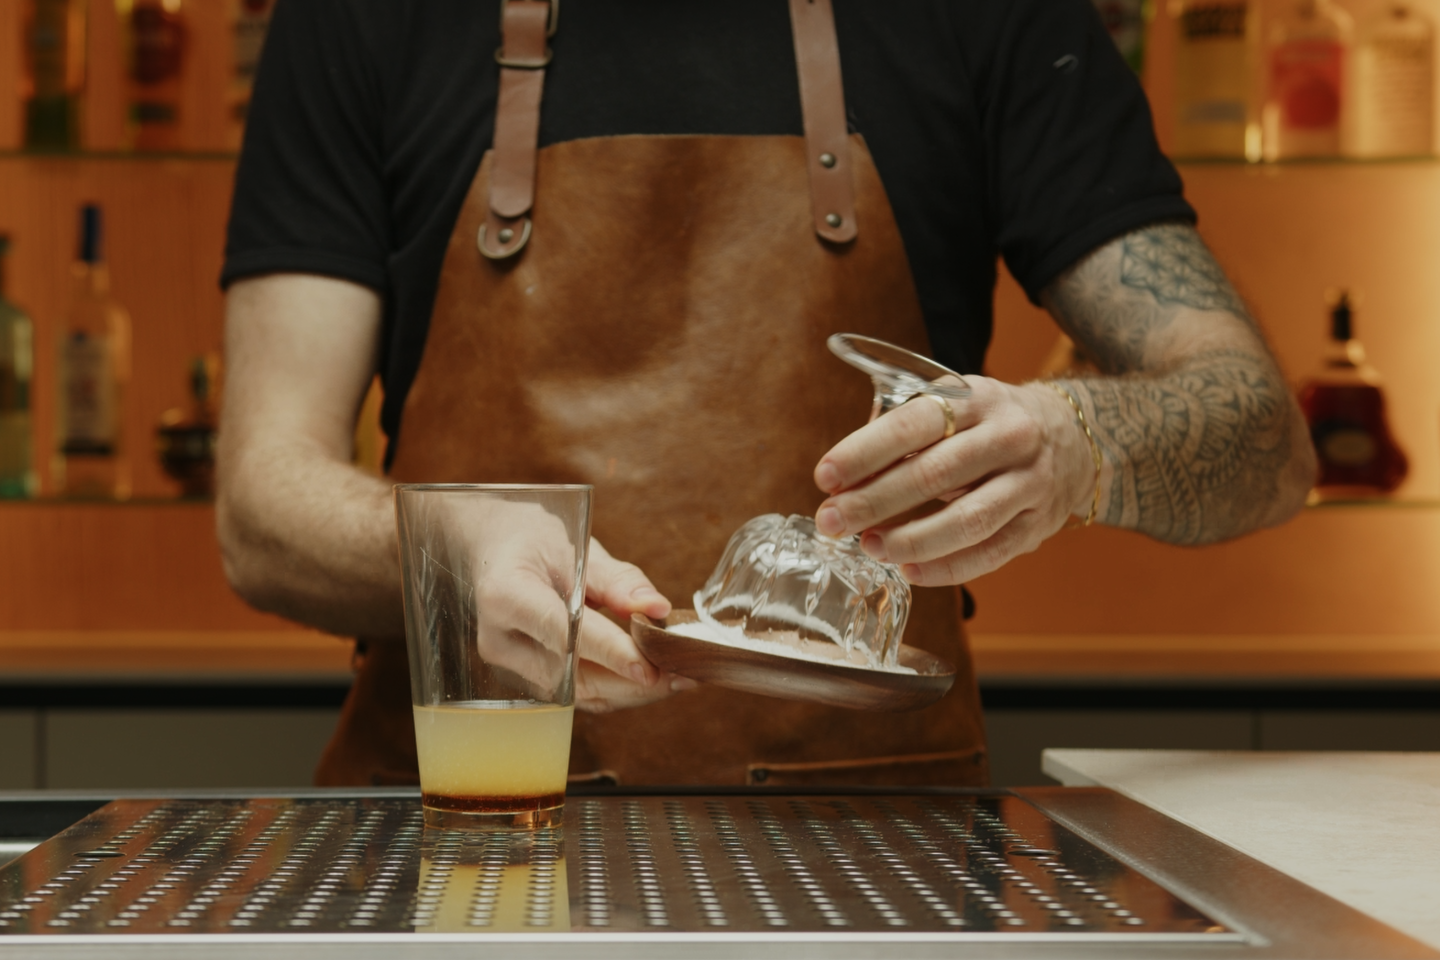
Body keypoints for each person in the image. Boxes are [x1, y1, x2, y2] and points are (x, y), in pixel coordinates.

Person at [216, 0, 1316, 787]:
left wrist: (1083, 442)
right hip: (475, 829)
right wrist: (451, 552)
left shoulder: (990, 17)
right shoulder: (358, 19)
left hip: (875, 859)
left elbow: (1261, 431)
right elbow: (262, 509)